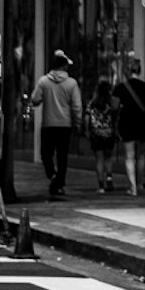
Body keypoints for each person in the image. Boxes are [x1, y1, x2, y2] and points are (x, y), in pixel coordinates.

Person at [30, 52, 87, 200]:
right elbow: (76, 105)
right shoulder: (71, 83)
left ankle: (52, 174)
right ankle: (59, 183)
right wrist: (78, 122)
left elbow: (35, 99)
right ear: (64, 66)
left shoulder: (43, 82)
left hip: (48, 124)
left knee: (46, 154)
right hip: (65, 125)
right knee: (62, 156)